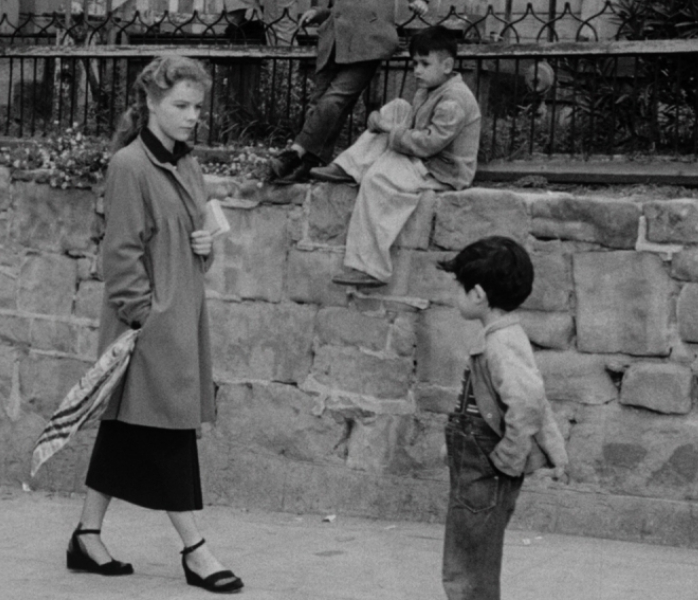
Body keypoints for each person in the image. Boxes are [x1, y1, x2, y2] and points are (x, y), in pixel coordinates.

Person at [66, 55, 244, 594]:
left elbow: (198, 242)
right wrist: (149, 320)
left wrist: (206, 246)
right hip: (148, 326)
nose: (192, 116)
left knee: (126, 428)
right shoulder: (129, 166)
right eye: (180, 106)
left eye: (197, 106)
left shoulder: (187, 164)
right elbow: (118, 259)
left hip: (181, 319)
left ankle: (86, 536)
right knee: (169, 431)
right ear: (151, 103)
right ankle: (196, 550)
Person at [437, 236, 568, 600]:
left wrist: (510, 454)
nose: (455, 296)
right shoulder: (501, 336)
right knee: (470, 548)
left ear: (477, 294)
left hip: (486, 465)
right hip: (476, 463)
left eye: (458, 288)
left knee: (469, 561)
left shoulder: (502, 344)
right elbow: (536, 400)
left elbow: (528, 402)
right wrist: (555, 450)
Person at [320, 24, 482, 288]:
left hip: (443, 169)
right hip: (427, 157)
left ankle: (371, 268)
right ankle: (349, 166)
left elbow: (429, 144)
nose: (416, 70)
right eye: (414, 63)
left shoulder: (455, 100)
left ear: (447, 65)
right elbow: (411, 127)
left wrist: (387, 129)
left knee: (377, 179)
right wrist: (384, 122)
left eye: (424, 63)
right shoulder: (429, 89)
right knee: (397, 108)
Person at [269, 0, 430, 184]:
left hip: (369, 38)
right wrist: (318, 11)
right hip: (334, 39)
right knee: (318, 102)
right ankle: (308, 165)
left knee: (334, 99)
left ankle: (294, 153)